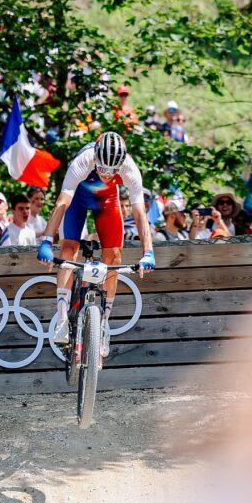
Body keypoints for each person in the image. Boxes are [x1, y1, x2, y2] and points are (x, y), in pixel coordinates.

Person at [38, 131, 155, 358]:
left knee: (114, 257)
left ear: (121, 164)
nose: (106, 174)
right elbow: (62, 203)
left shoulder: (130, 169)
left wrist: (148, 251)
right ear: (95, 158)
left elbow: (140, 213)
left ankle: (102, 326)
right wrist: (46, 240)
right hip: (76, 201)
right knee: (68, 250)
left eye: (112, 171)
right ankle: (62, 320)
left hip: (107, 201)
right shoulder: (83, 160)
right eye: (102, 168)